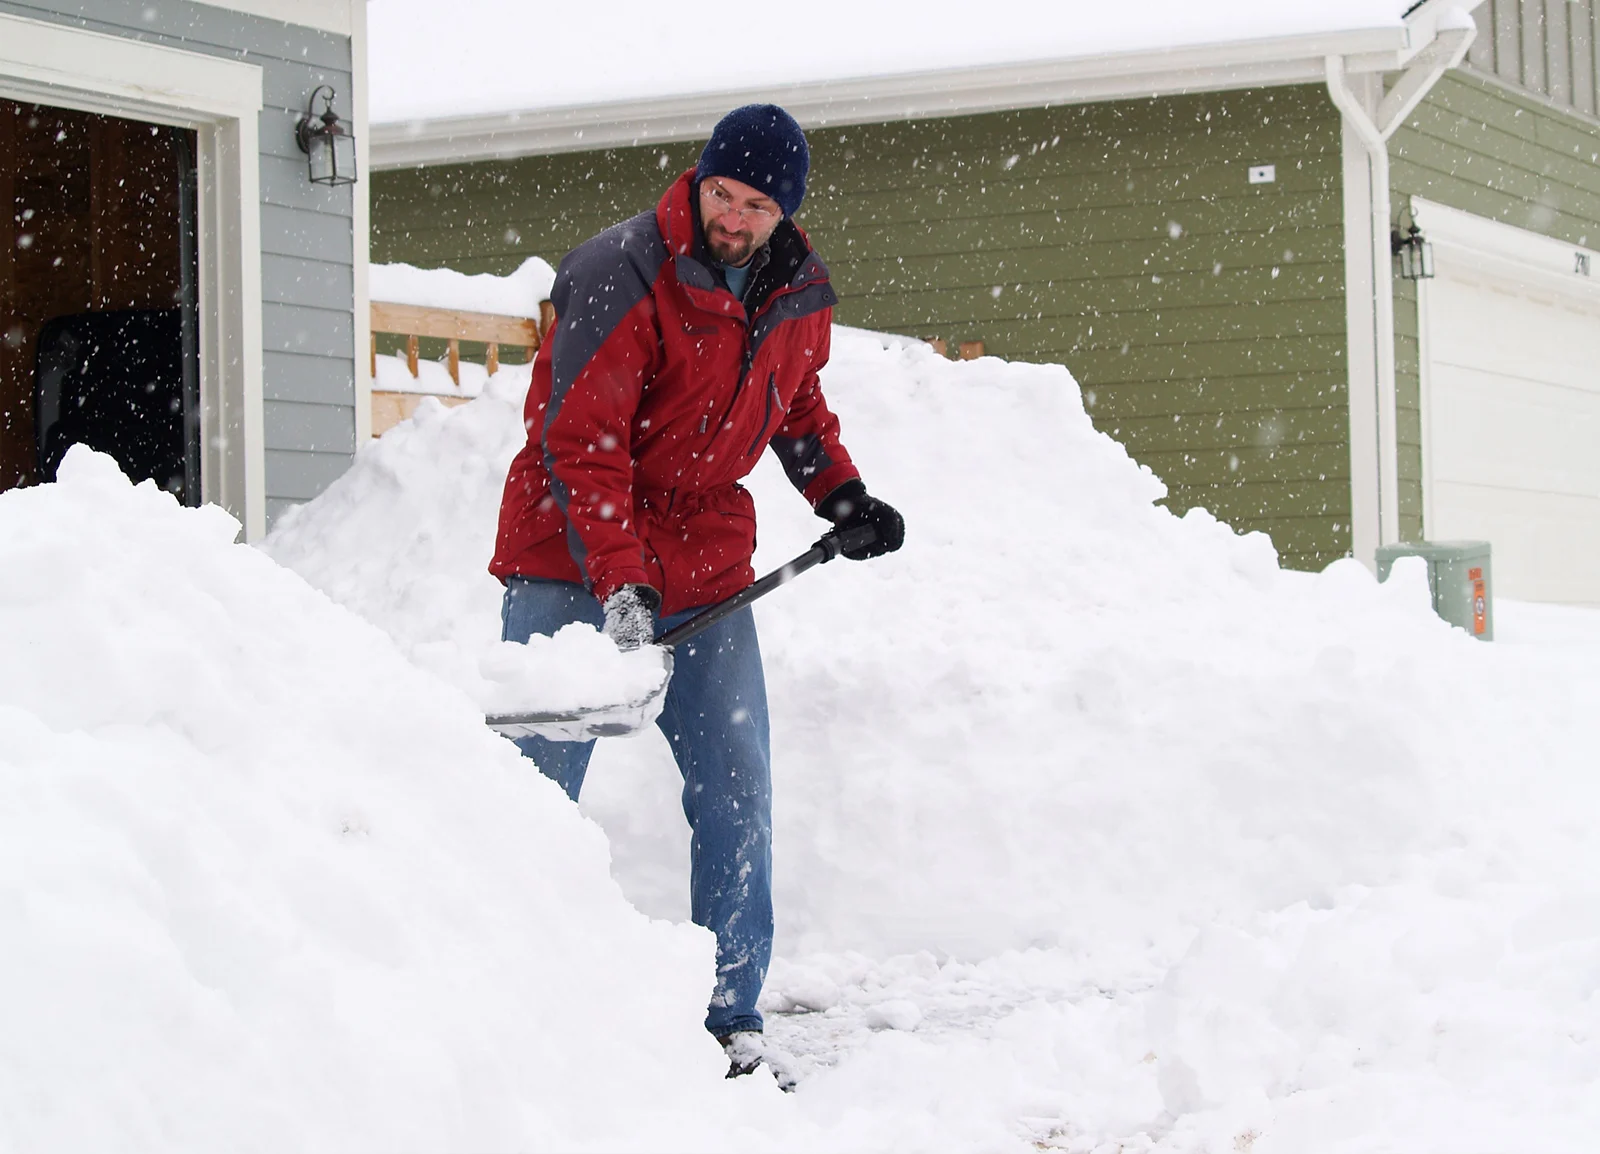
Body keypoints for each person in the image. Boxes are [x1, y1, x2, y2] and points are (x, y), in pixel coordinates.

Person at [489, 104, 904, 1078]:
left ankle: (730, 1010)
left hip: (704, 558)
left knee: (735, 788)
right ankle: (509, 997)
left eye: (755, 203)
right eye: (721, 192)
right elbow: (580, 447)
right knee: (530, 794)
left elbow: (795, 402)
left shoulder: (799, 289)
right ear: (699, 179)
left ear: (785, 211)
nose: (732, 215)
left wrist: (839, 491)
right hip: (566, 549)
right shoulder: (618, 269)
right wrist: (621, 587)